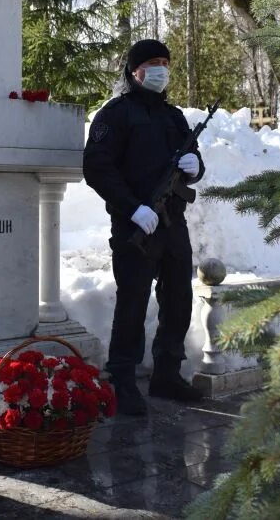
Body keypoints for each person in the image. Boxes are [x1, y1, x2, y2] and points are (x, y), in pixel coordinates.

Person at [82, 39, 205, 416]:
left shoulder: (174, 117)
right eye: (152, 63)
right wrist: (132, 208)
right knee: (132, 301)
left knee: (178, 299)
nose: (160, 69)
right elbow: (97, 168)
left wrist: (195, 166)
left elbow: (193, 161)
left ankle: (166, 373)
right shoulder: (115, 115)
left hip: (172, 224)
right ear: (133, 71)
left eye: (165, 63)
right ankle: (121, 378)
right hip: (135, 225)